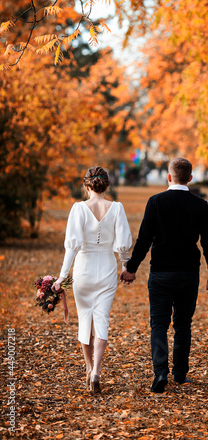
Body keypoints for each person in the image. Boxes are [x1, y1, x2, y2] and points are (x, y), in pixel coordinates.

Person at [121, 157, 208, 393]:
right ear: (190, 178)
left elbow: (144, 239)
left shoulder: (155, 202)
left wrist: (131, 269)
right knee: (183, 324)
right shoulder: (200, 205)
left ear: (169, 177)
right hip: (188, 274)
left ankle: (161, 372)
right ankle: (181, 374)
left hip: (161, 273)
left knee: (159, 324)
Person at [53, 166, 132, 394]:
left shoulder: (78, 209)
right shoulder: (117, 208)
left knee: (85, 320)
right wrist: (126, 267)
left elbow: (72, 246)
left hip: (84, 270)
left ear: (87, 186)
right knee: (102, 320)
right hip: (106, 268)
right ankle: (97, 370)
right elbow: (123, 244)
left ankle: (88, 368)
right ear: (106, 186)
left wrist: (62, 276)